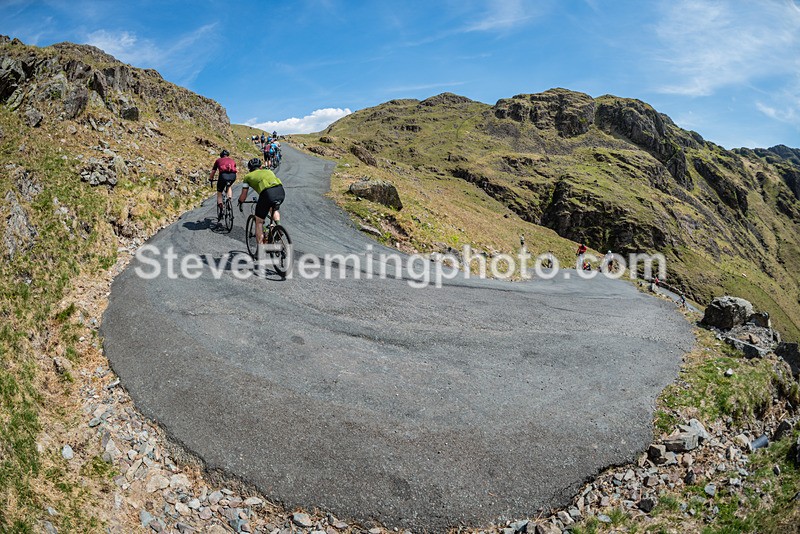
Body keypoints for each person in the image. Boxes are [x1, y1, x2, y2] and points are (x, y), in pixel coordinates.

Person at [238, 158, 285, 246]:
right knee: (273, 209)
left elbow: (243, 195)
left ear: (250, 168)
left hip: (267, 194)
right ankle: (278, 226)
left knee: (259, 221)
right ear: (260, 166)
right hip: (280, 191)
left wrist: (240, 201)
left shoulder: (247, 177)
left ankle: (260, 248)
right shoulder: (269, 171)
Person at [209, 150, 237, 220]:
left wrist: (211, 178)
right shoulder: (232, 160)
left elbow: (213, 171)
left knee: (219, 192)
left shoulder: (218, 160)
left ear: (221, 155)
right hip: (233, 176)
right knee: (229, 186)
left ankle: (221, 205)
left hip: (223, 176)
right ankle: (229, 199)